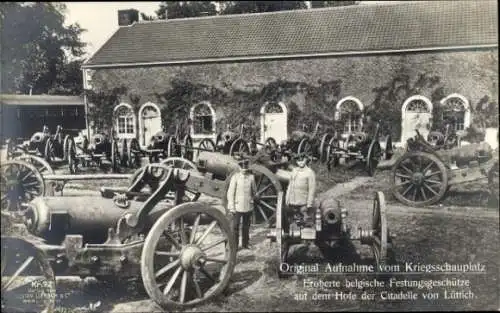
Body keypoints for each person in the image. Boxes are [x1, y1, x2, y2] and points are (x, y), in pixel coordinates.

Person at [226, 159, 257, 250]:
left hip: (248, 205)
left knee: (246, 226)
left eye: (245, 167)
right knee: (235, 227)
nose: (244, 169)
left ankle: (245, 244)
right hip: (237, 206)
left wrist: (253, 199)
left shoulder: (251, 177)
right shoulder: (235, 177)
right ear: (239, 167)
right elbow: (230, 193)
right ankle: (235, 246)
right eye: (242, 167)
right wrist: (231, 207)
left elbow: (254, 191)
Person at [285, 153, 317, 226]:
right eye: (299, 161)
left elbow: (312, 189)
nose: (301, 162)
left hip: (303, 202)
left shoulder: (309, 172)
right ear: (296, 162)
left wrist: (309, 204)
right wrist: (287, 199)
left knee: (306, 222)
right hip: (293, 202)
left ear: (305, 160)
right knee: (293, 222)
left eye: (302, 160)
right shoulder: (294, 171)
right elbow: (290, 186)